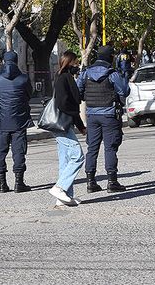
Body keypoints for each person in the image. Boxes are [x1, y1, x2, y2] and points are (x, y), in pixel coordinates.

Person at [77, 45, 130, 193]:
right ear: (110, 57)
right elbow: (124, 91)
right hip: (109, 114)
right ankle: (112, 182)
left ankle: (90, 182)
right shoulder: (112, 74)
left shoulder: (86, 73)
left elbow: (78, 91)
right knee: (110, 148)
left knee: (92, 148)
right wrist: (124, 74)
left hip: (92, 115)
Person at [0, 51, 34, 193]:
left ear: (4, 61)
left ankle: (2, 184)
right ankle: (18, 183)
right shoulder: (24, 78)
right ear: (16, 61)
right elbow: (29, 95)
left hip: (2, 121)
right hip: (19, 120)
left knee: (0, 151)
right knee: (19, 151)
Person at [49, 51, 87, 207]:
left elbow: (72, 105)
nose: (77, 65)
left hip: (64, 123)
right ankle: (60, 188)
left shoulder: (62, 77)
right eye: (75, 63)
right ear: (69, 62)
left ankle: (64, 197)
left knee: (65, 161)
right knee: (78, 156)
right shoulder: (64, 78)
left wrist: (80, 126)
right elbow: (67, 104)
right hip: (62, 124)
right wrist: (77, 122)